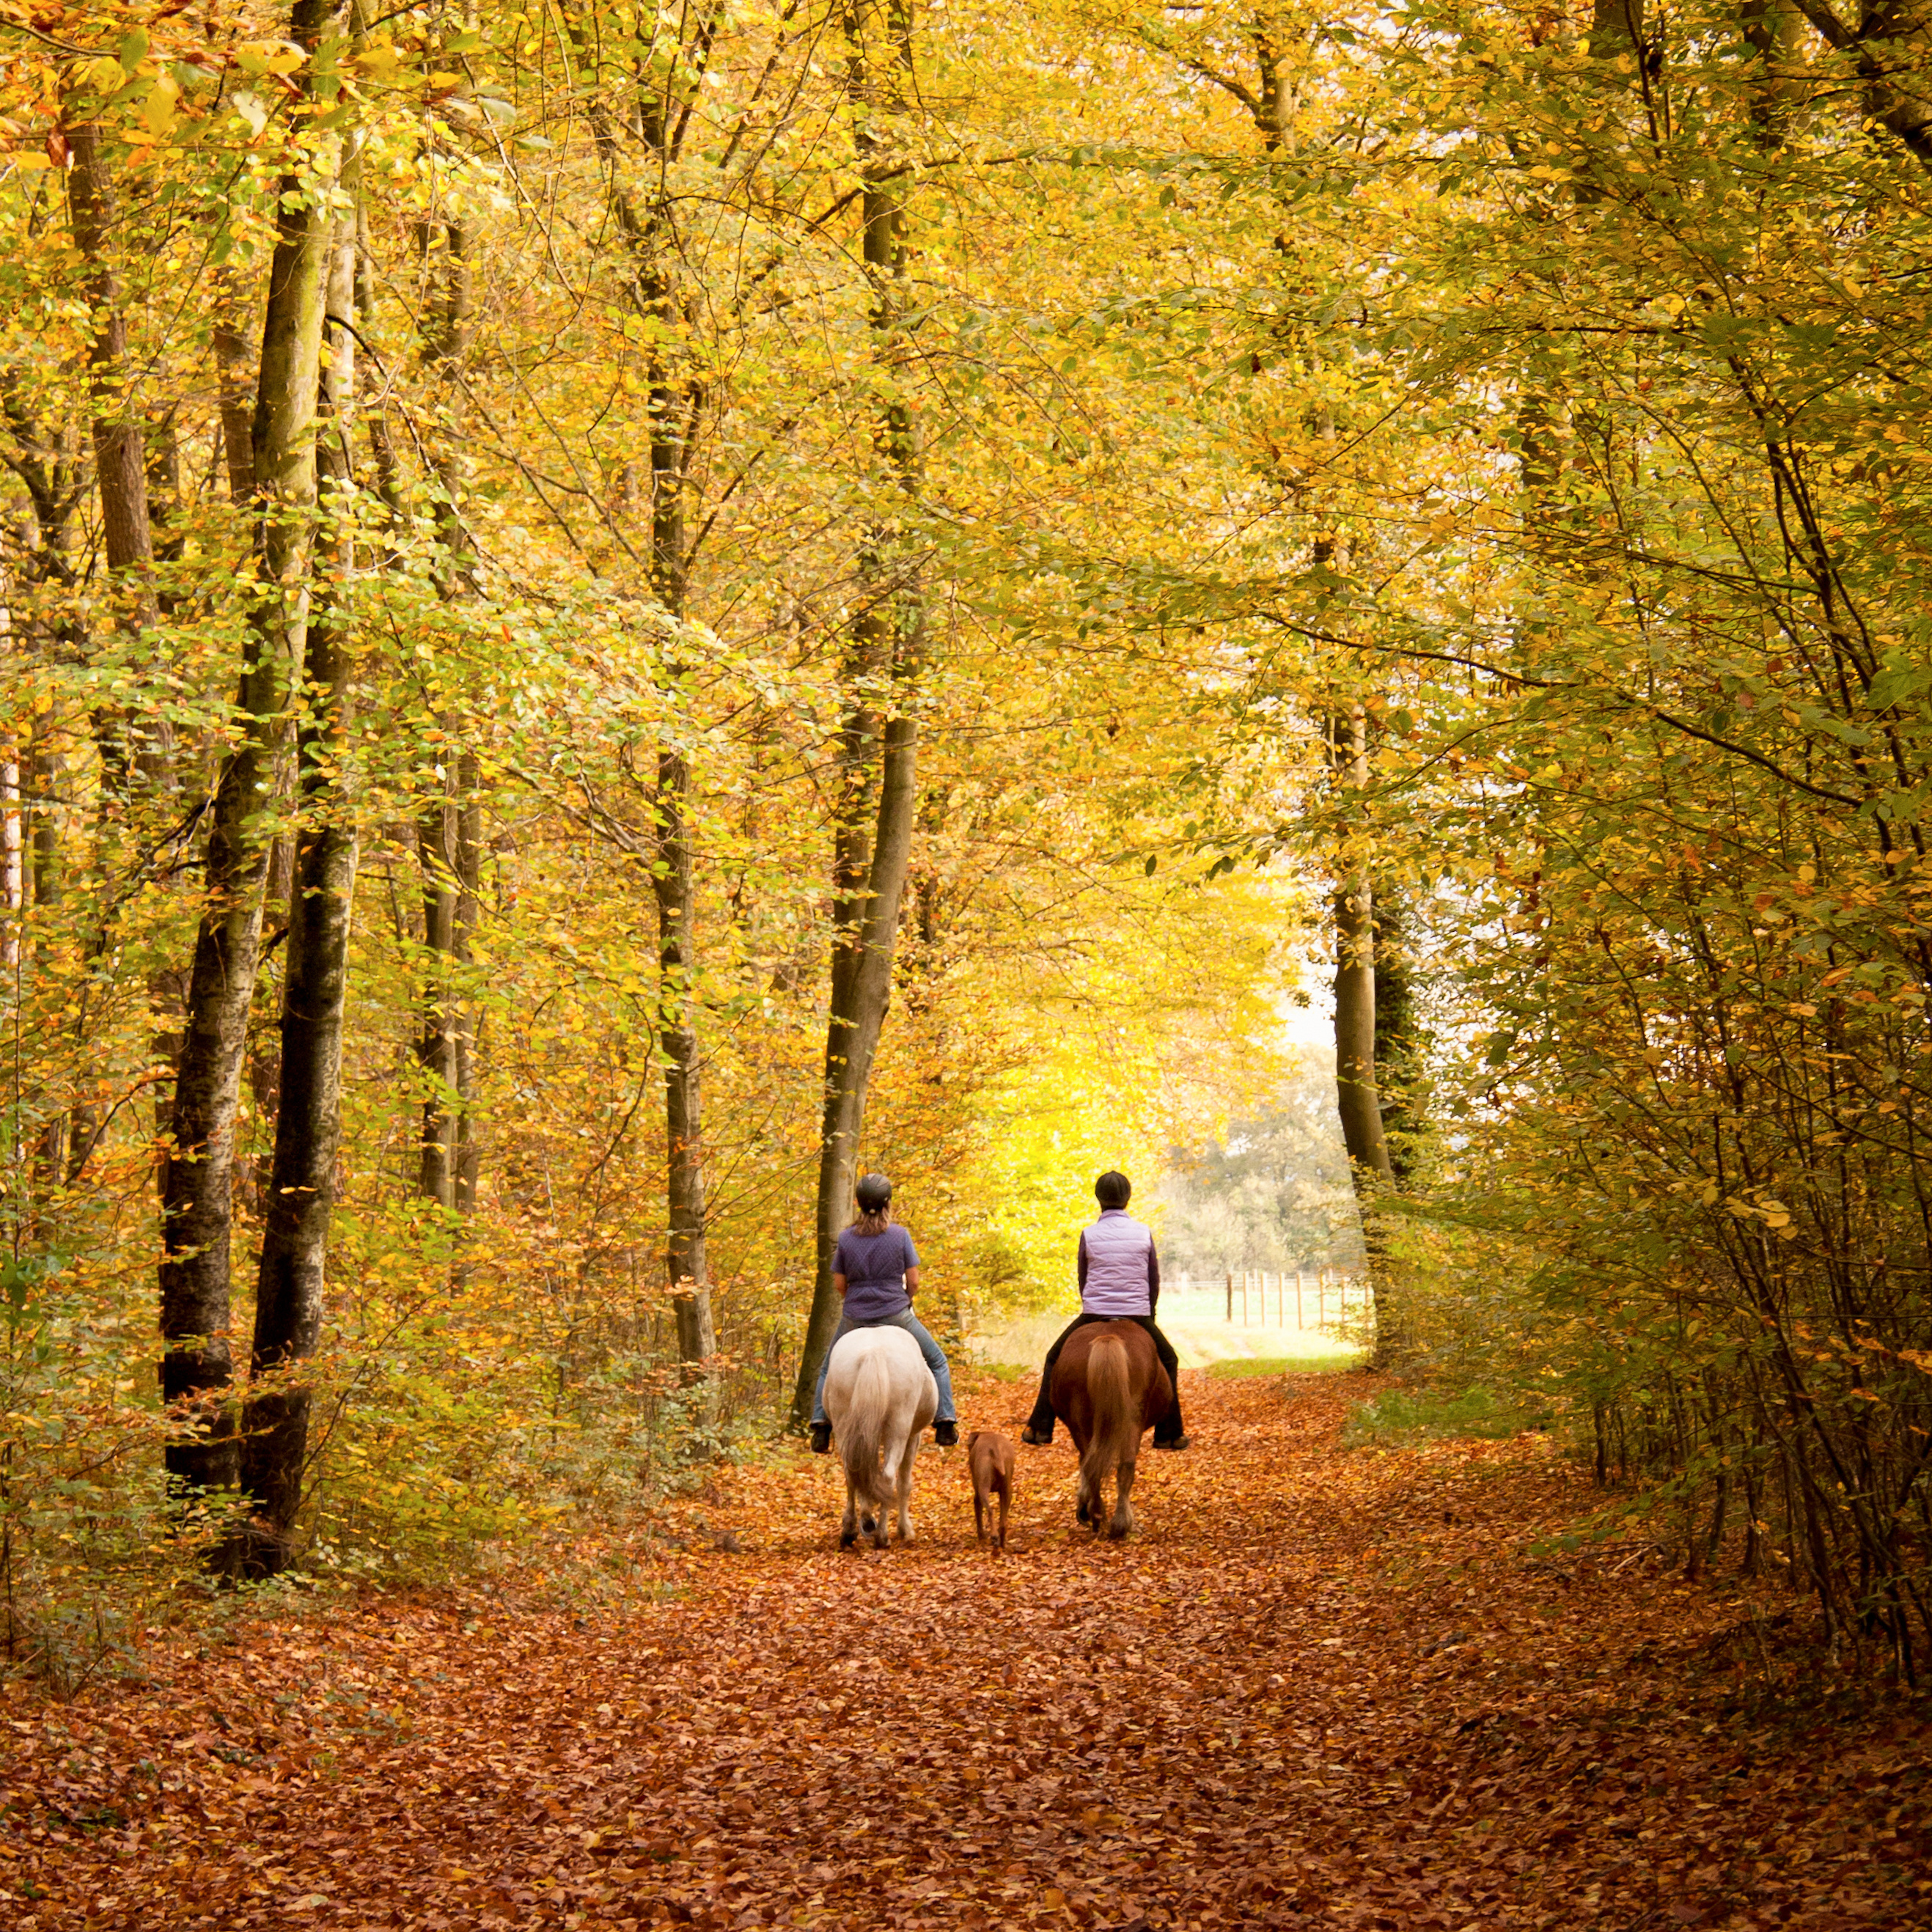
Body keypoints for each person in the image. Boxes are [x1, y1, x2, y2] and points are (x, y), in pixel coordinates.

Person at [1021, 1169, 1189, 1450]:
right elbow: (1153, 1279)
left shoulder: (1089, 1234)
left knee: (1053, 1358)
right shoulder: (1143, 1233)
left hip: (1095, 1312)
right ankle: (1168, 1433)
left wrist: (1092, 1305)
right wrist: (1149, 1315)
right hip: (1137, 1313)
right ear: (1128, 1198)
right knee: (1169, 1360)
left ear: (1099, 1198)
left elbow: (1083, 1277)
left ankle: (1040, 1426)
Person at [809, 1172, 960, 1452]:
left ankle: (820, 1425)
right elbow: (914, 1281)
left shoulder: (846, 1239)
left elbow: (840, 1284)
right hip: (896, 1314)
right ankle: (945, 1421)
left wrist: (856, 1301)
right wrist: (905, 1299)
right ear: (888, 1202)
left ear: (858, 1203)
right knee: (938, 1360)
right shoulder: (900, 1235)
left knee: (828, 1368)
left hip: (855, 1317)